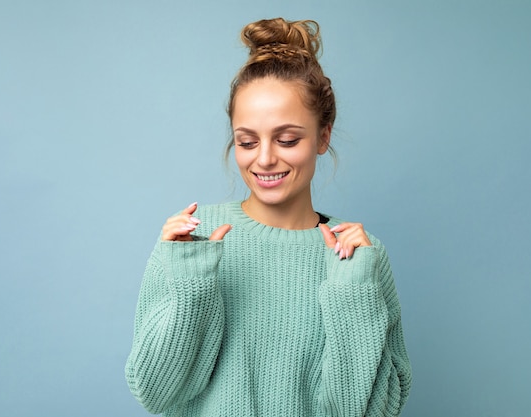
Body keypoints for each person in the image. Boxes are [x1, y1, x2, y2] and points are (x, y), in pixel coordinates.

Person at [126, 17, 411, 417]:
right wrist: (192, 288)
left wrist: (352, 293)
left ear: (323, 136)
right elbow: (156, 395)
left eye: (287, 139)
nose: (264, 159)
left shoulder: (361, 257)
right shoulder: (192, 242)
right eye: (246, 141)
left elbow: (373, 411)